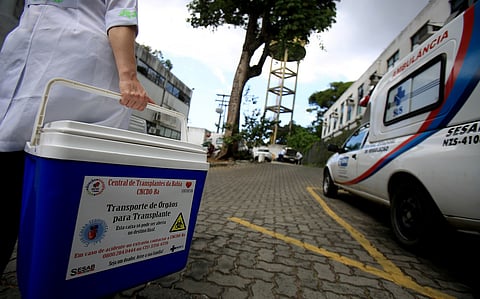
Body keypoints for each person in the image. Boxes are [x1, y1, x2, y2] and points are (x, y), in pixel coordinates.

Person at [0, 0, 154, 276]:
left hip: (74, 72)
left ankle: (58, 275)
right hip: (30, 58)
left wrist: (128, 77)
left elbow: (120, 15)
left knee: (56, 174)